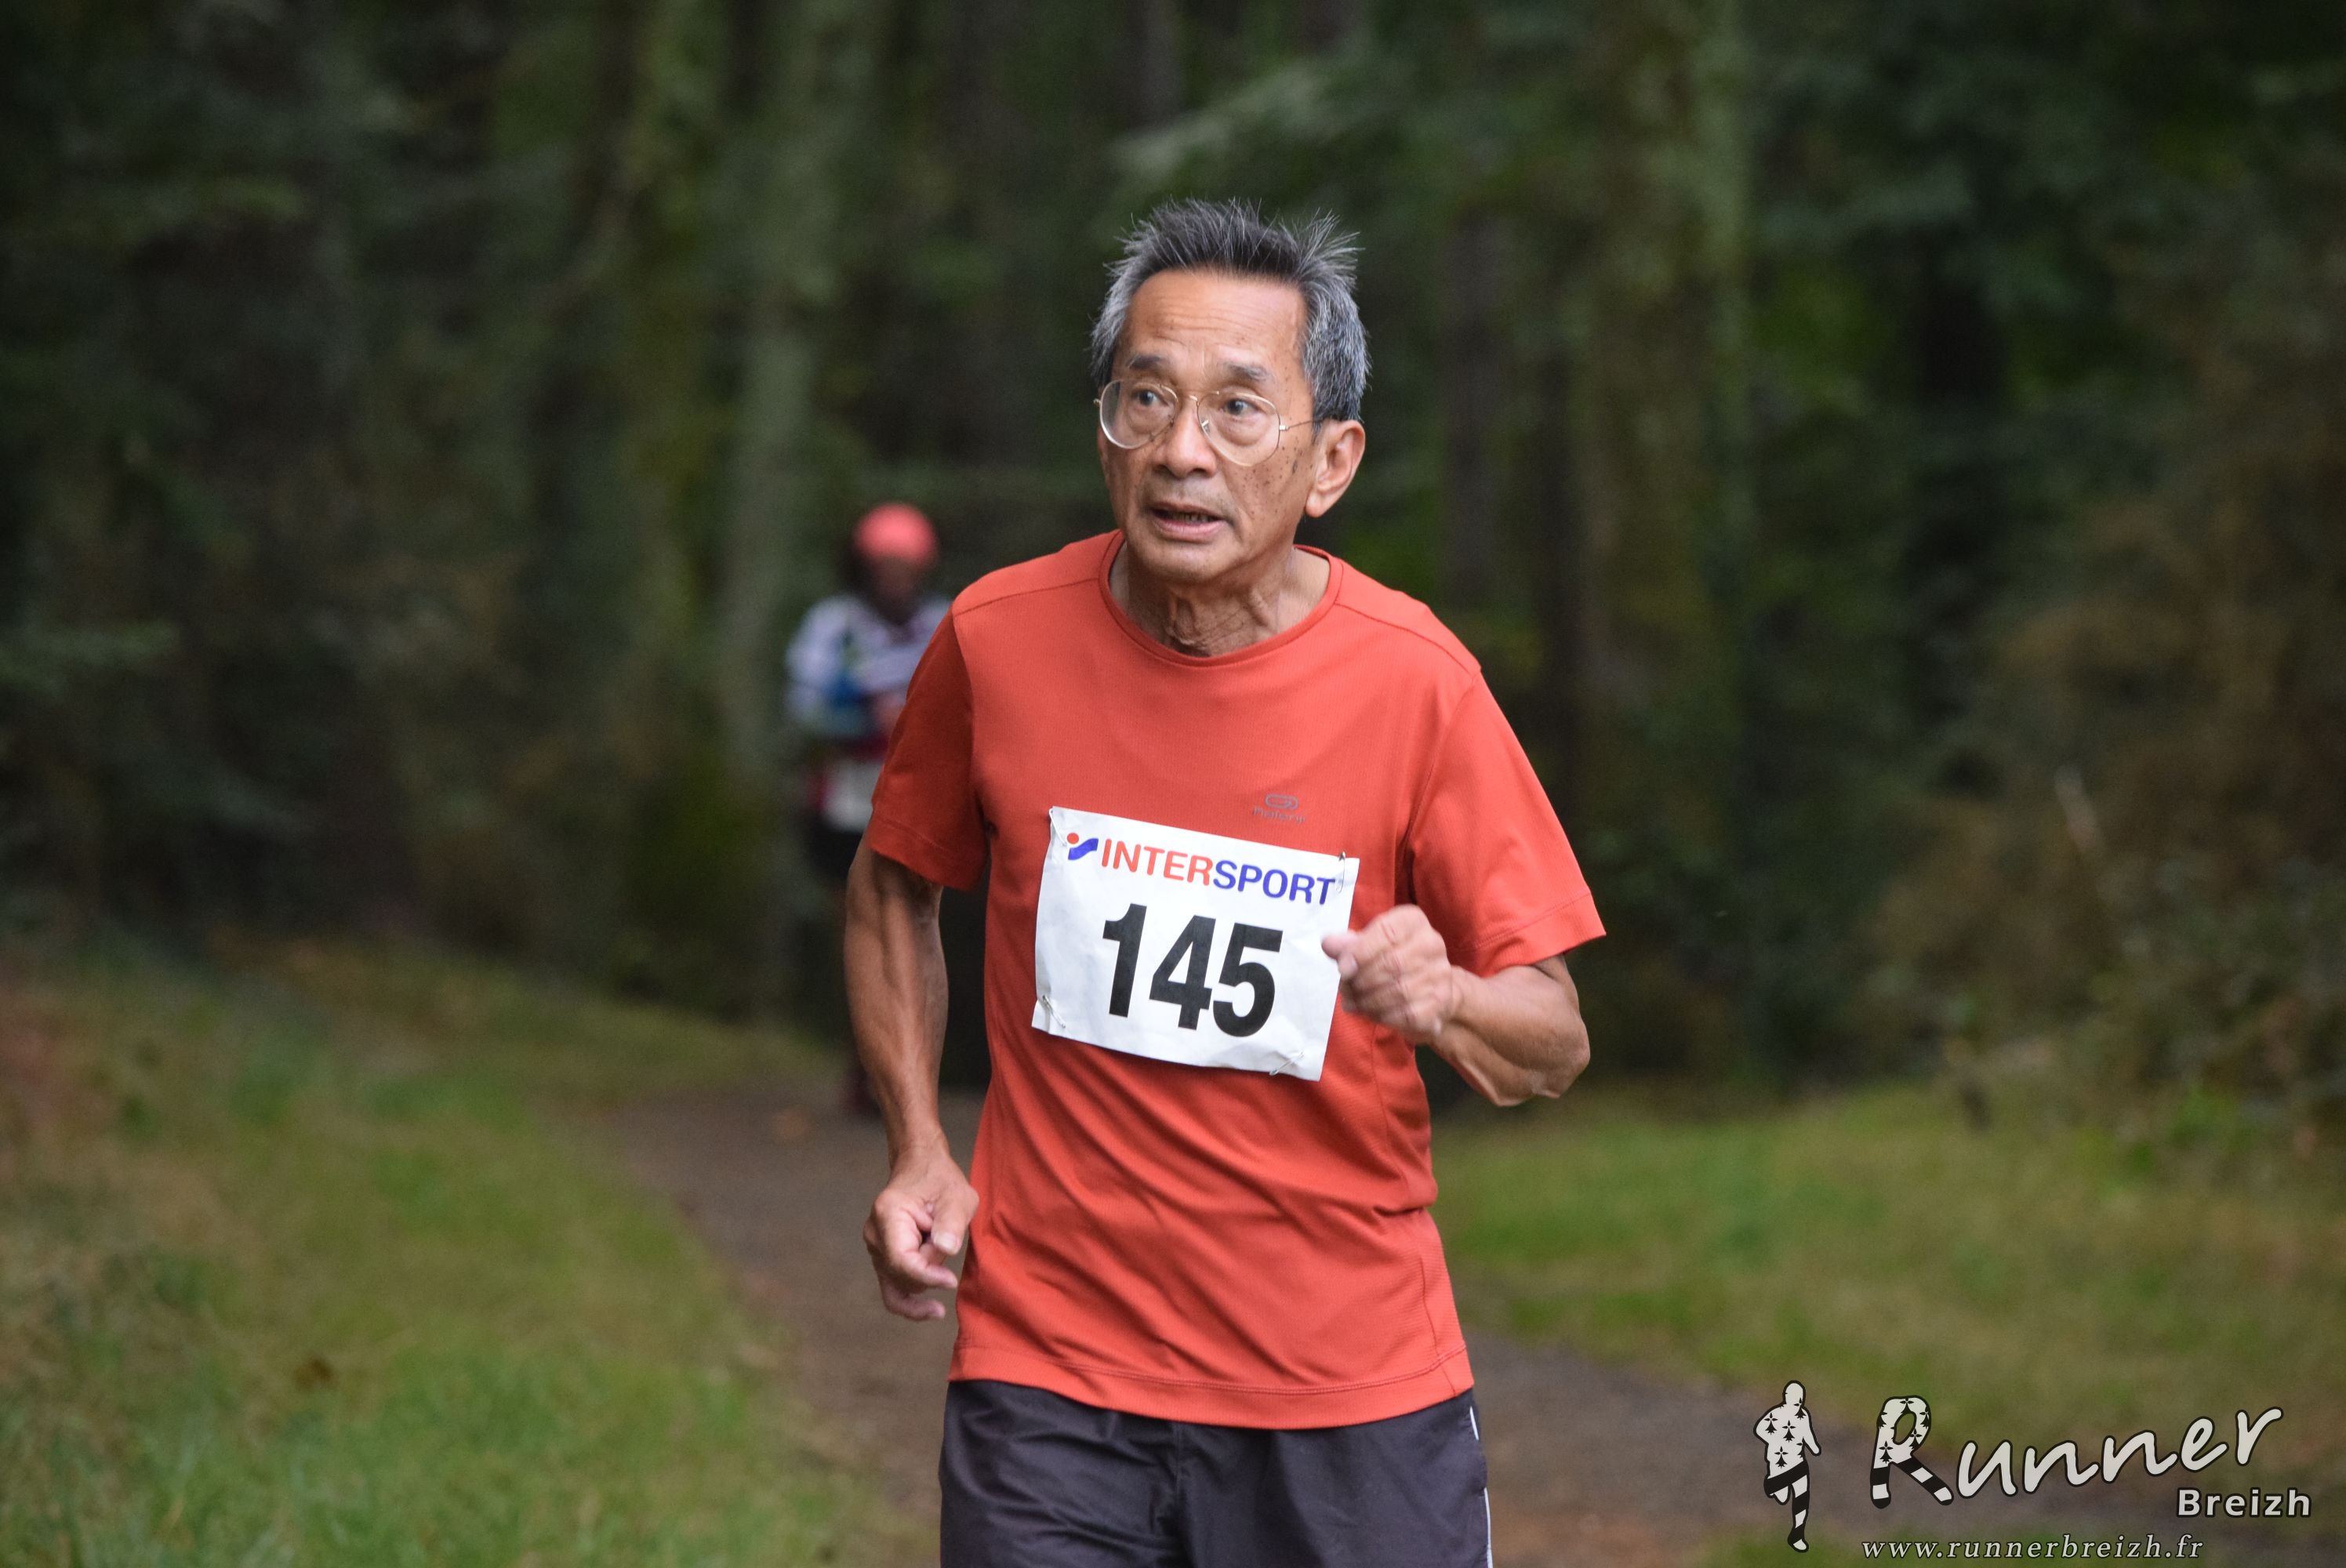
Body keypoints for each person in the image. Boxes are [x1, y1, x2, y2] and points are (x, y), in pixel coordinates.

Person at [845, 198, 1603, 1568]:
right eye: (1146, 399)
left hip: (1346, 1387)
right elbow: (896, 885)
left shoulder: (1417, 682)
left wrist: (1444, 998)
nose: (1181, 451)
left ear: (1331, 461)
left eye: (1238, 409)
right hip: (1050, 1373)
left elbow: (1552, 1037)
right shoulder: (998, 640)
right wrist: (917, 1145)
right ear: (1104, 432)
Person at [786, 502, 946, 1112]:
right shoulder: (835, 627)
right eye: (885, 567)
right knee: (856, 930)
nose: (895, 580)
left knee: (911, 928)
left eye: (905, 568)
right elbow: (804, 711)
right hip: (845, 804)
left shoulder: (943, 624)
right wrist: (861, 719)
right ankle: (864, 1063)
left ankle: (902, 1069)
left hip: (920, 804)